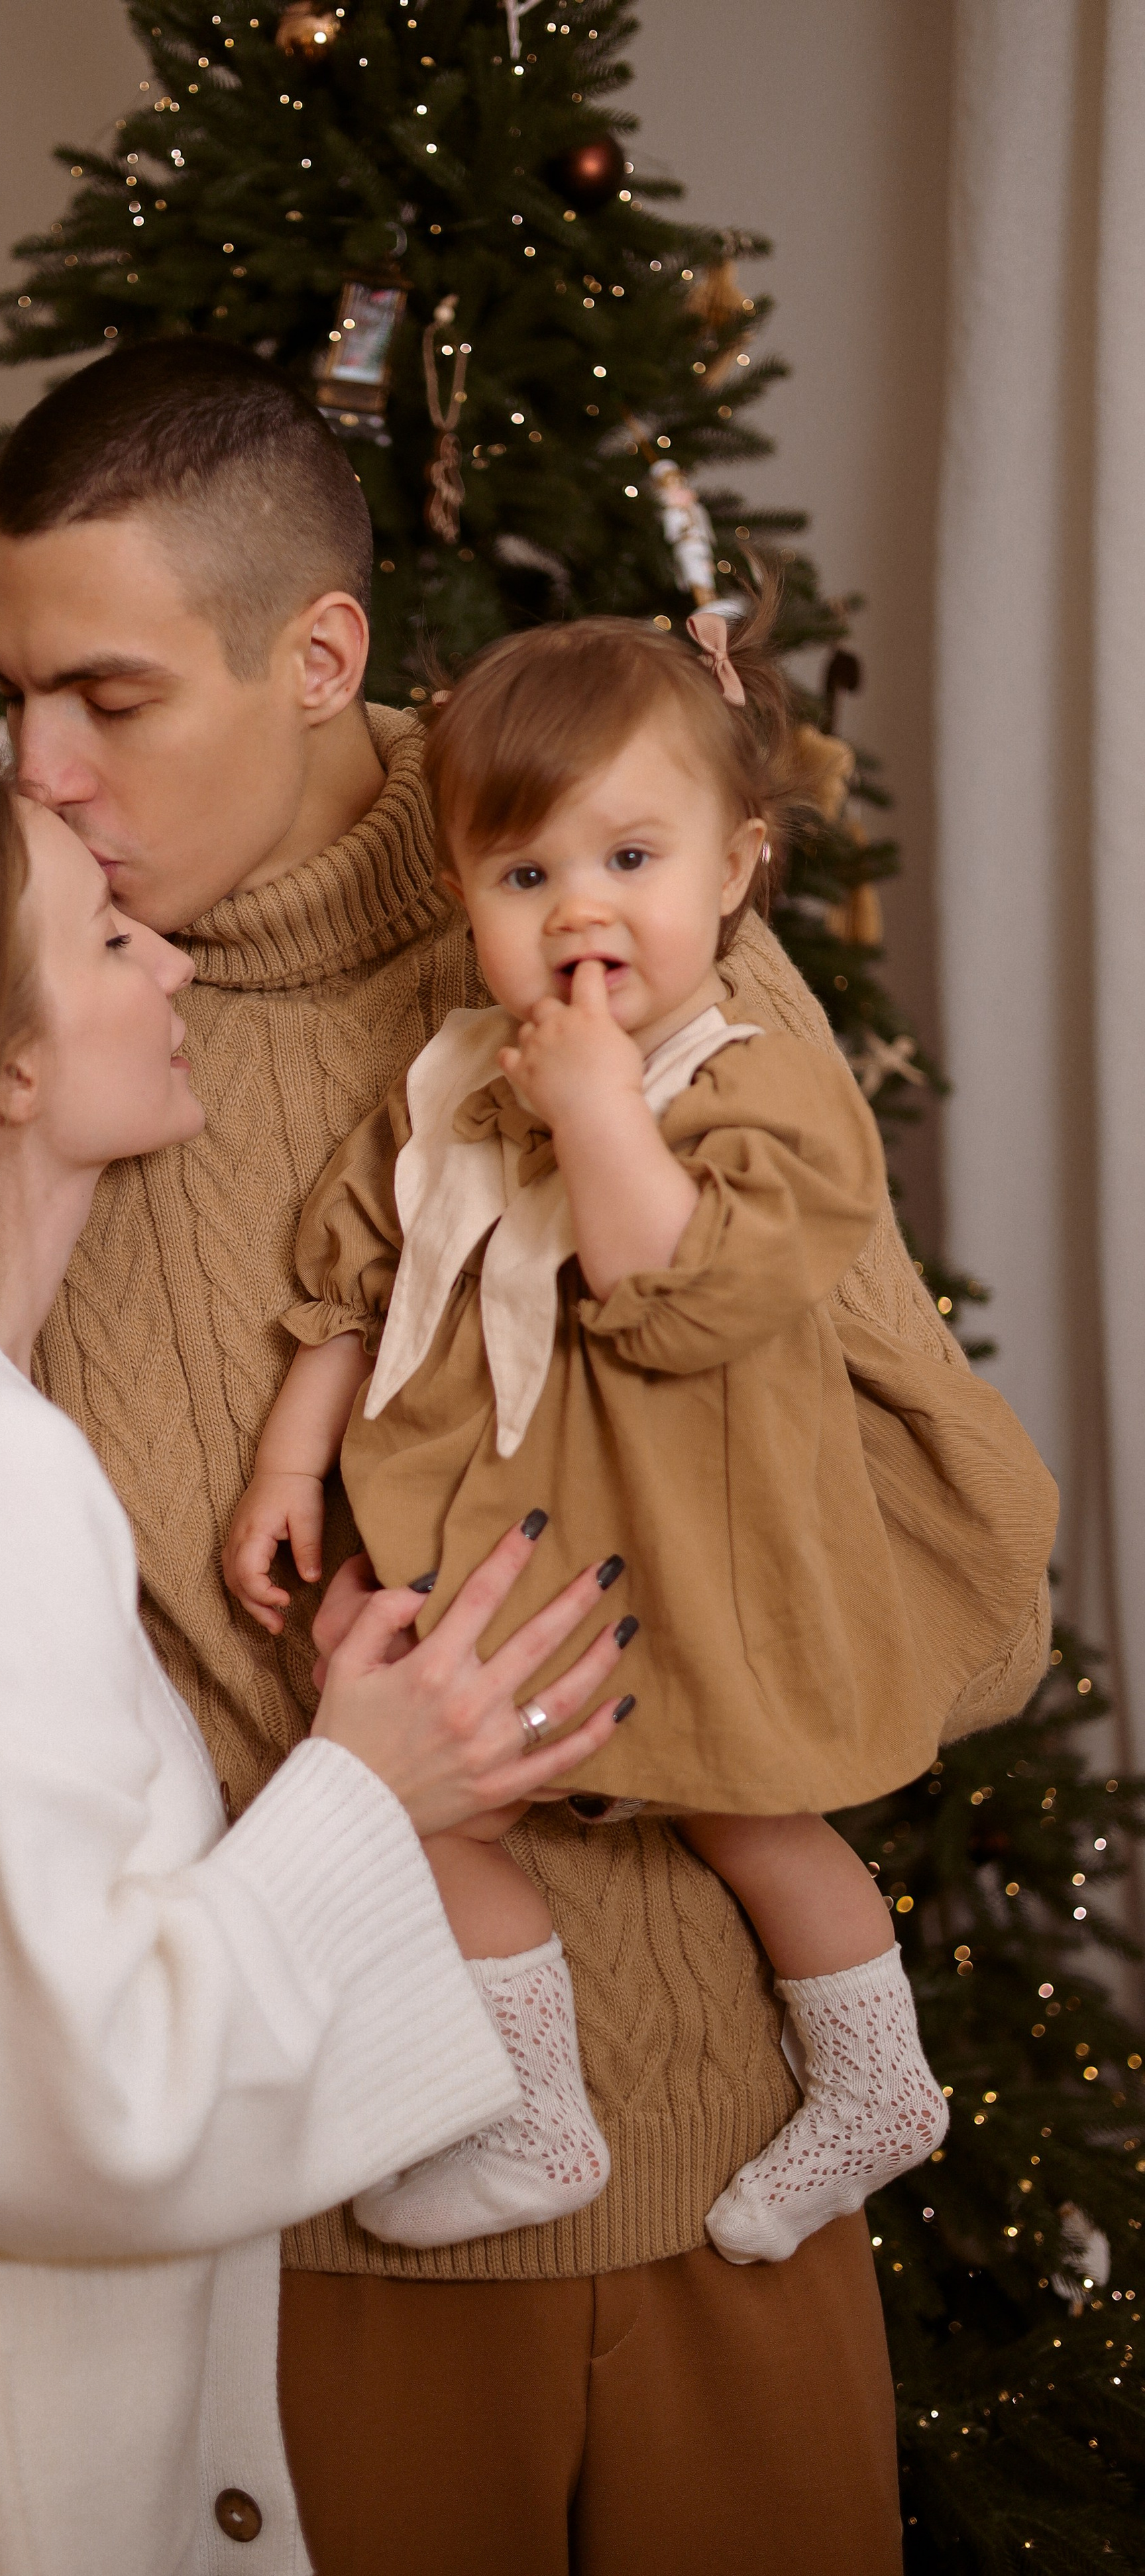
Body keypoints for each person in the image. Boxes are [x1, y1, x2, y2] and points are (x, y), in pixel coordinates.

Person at [0, 340, 1052, 2575]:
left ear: (319, 658)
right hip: (290, 2255)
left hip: (723, 2196)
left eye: (108, 699)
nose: (42, 770)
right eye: (10, 695)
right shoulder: (0, 1047)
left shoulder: (631, 948)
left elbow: (954, 1564)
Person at [0, 761, 635, 2575]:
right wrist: (373, 1788)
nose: (168, 964)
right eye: (103, 935)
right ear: (2, 1061)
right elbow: (85, 2105)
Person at [225, 595, 1056, 2263]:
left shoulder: (746, 1067)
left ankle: (876, 2079)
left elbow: (673, 1289)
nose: (578, 912)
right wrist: (287, 1461)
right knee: (434, 1803)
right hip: (516, 1544)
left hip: (699, 1539)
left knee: (753, 1809)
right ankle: (531, 2115)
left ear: (737, 865)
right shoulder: (457, 1070)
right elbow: (357, 1270)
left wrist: (599, 1103)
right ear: (461, 894)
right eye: (523, 877)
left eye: (630, 860)